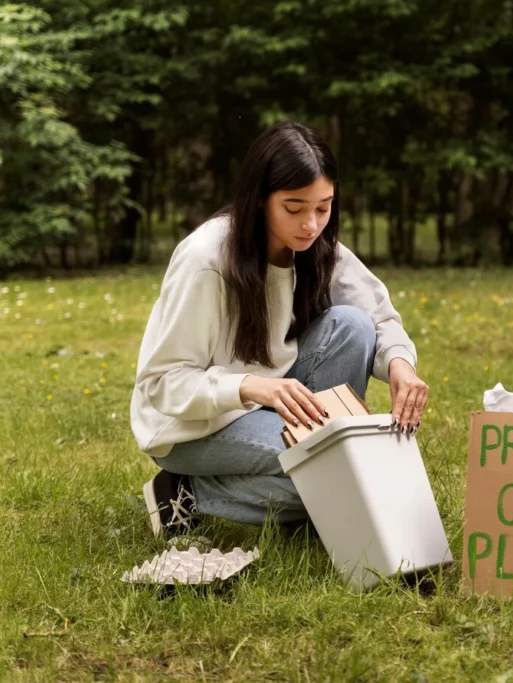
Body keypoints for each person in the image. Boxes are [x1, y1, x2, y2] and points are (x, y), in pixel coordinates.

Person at [130, 122, 428, 537]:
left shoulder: (314, 245)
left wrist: (400, 362)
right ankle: (184, 492)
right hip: (192, 426)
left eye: (323, 207)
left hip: (267, 400)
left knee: (352, 326)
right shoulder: (206, 261)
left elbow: (375, 314)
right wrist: (249, 387)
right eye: (294, 207)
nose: (311, 224)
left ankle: (304, 495)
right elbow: (162, 384)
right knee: (338, 471)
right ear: (258, 201)